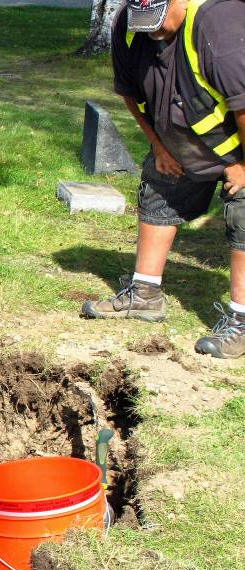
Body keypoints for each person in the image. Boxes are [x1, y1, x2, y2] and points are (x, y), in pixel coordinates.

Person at [81, 0, 245, 359]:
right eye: (143, 21)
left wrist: (242, 165)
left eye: (157, 20)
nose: (150, 29)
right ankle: (145, 294)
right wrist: (159, 145)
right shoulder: (128, 23)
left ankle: (242, 321)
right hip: (187, 136)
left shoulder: (219, 24)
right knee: (159, 184)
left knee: (243, 214)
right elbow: (130, 92)